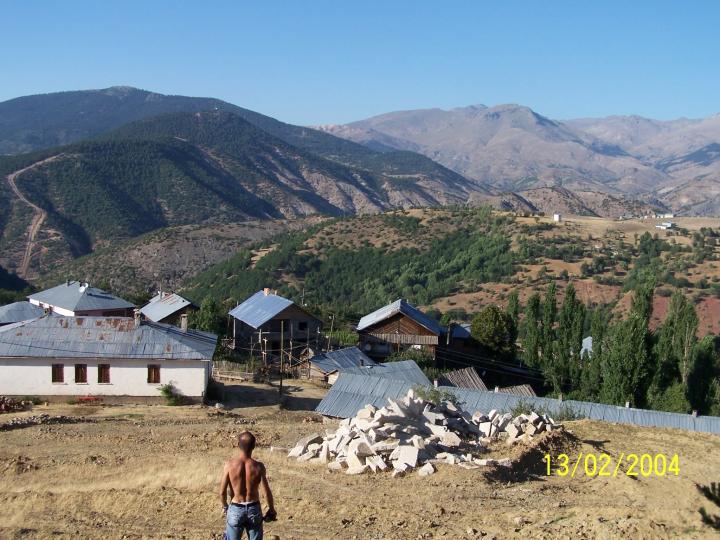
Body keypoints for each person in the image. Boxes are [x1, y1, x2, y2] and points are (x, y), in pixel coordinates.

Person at [219, 431, 276, 540]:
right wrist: (271, 509)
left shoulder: (229, 465)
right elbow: (266, 492)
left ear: (237, 445)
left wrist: (226, 507)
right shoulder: (259, 467)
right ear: (254, 446)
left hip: (236, 508)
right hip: (253, 508)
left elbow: (222, 492)